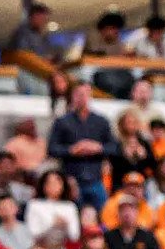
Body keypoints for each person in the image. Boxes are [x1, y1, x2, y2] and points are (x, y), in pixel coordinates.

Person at [48, 82, 118, 211]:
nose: (82, 98)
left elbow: (114, 147)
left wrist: (98, 148)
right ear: (72, 96)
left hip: (96, 178)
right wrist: (72, 150)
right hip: (72, 178)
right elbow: (52, 149)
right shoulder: (62, 122)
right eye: (78, 94)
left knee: (103, 213)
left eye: (85, 94)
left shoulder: (101, 121)